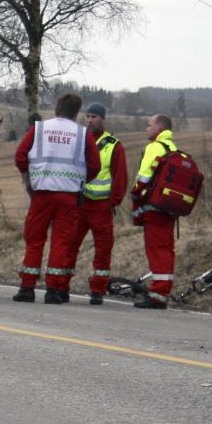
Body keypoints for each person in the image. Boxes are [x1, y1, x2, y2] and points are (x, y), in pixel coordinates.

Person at [12, 93, 101, 304]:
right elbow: (95, 165)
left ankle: (27, 288)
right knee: (61, 241)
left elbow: (20, 156)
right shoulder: (82, 134)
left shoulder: (40, 128)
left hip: (41, 194)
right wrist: (80, 180)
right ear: (77, 112)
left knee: (34, 239)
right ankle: (53, 289)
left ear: (56, 108)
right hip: (69, 196)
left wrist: (28, 180)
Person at [63, 102, 128, 305]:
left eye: (95, 117)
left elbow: (120, 177)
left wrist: (112, 202)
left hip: (101, 207)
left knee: (103, 250)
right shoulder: (79, 140)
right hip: (80, 204)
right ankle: (61, 286)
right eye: (88, 116)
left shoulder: (113, 145)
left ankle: (97, 290)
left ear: (103, 119)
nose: (90, 120)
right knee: (69, 246)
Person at [130, 113, 177, 309]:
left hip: (154, 208)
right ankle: (162, 291)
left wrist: (134, 194)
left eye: (149, 125)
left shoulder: (155, 147)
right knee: (166, 249)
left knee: (156, 249)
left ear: (159, 127)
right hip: (169, 208)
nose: (146, 128)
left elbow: (144, 176)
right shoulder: (172, 148)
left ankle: (157, 295)